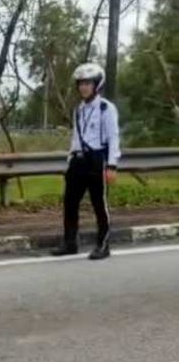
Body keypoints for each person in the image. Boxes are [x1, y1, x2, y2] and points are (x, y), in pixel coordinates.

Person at [51, 62, 121, 260]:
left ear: (97, 85)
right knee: (70, 202)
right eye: (80, 83)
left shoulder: (106, 108)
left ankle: (103, 245)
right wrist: (70, 159)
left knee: (99, 203)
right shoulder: (79, 109)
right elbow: (76, 137)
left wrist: (112, 165)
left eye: (88, 83)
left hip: (97, 159)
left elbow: (114, 137)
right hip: (79, 160)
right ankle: (70, 242)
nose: (83, 87)